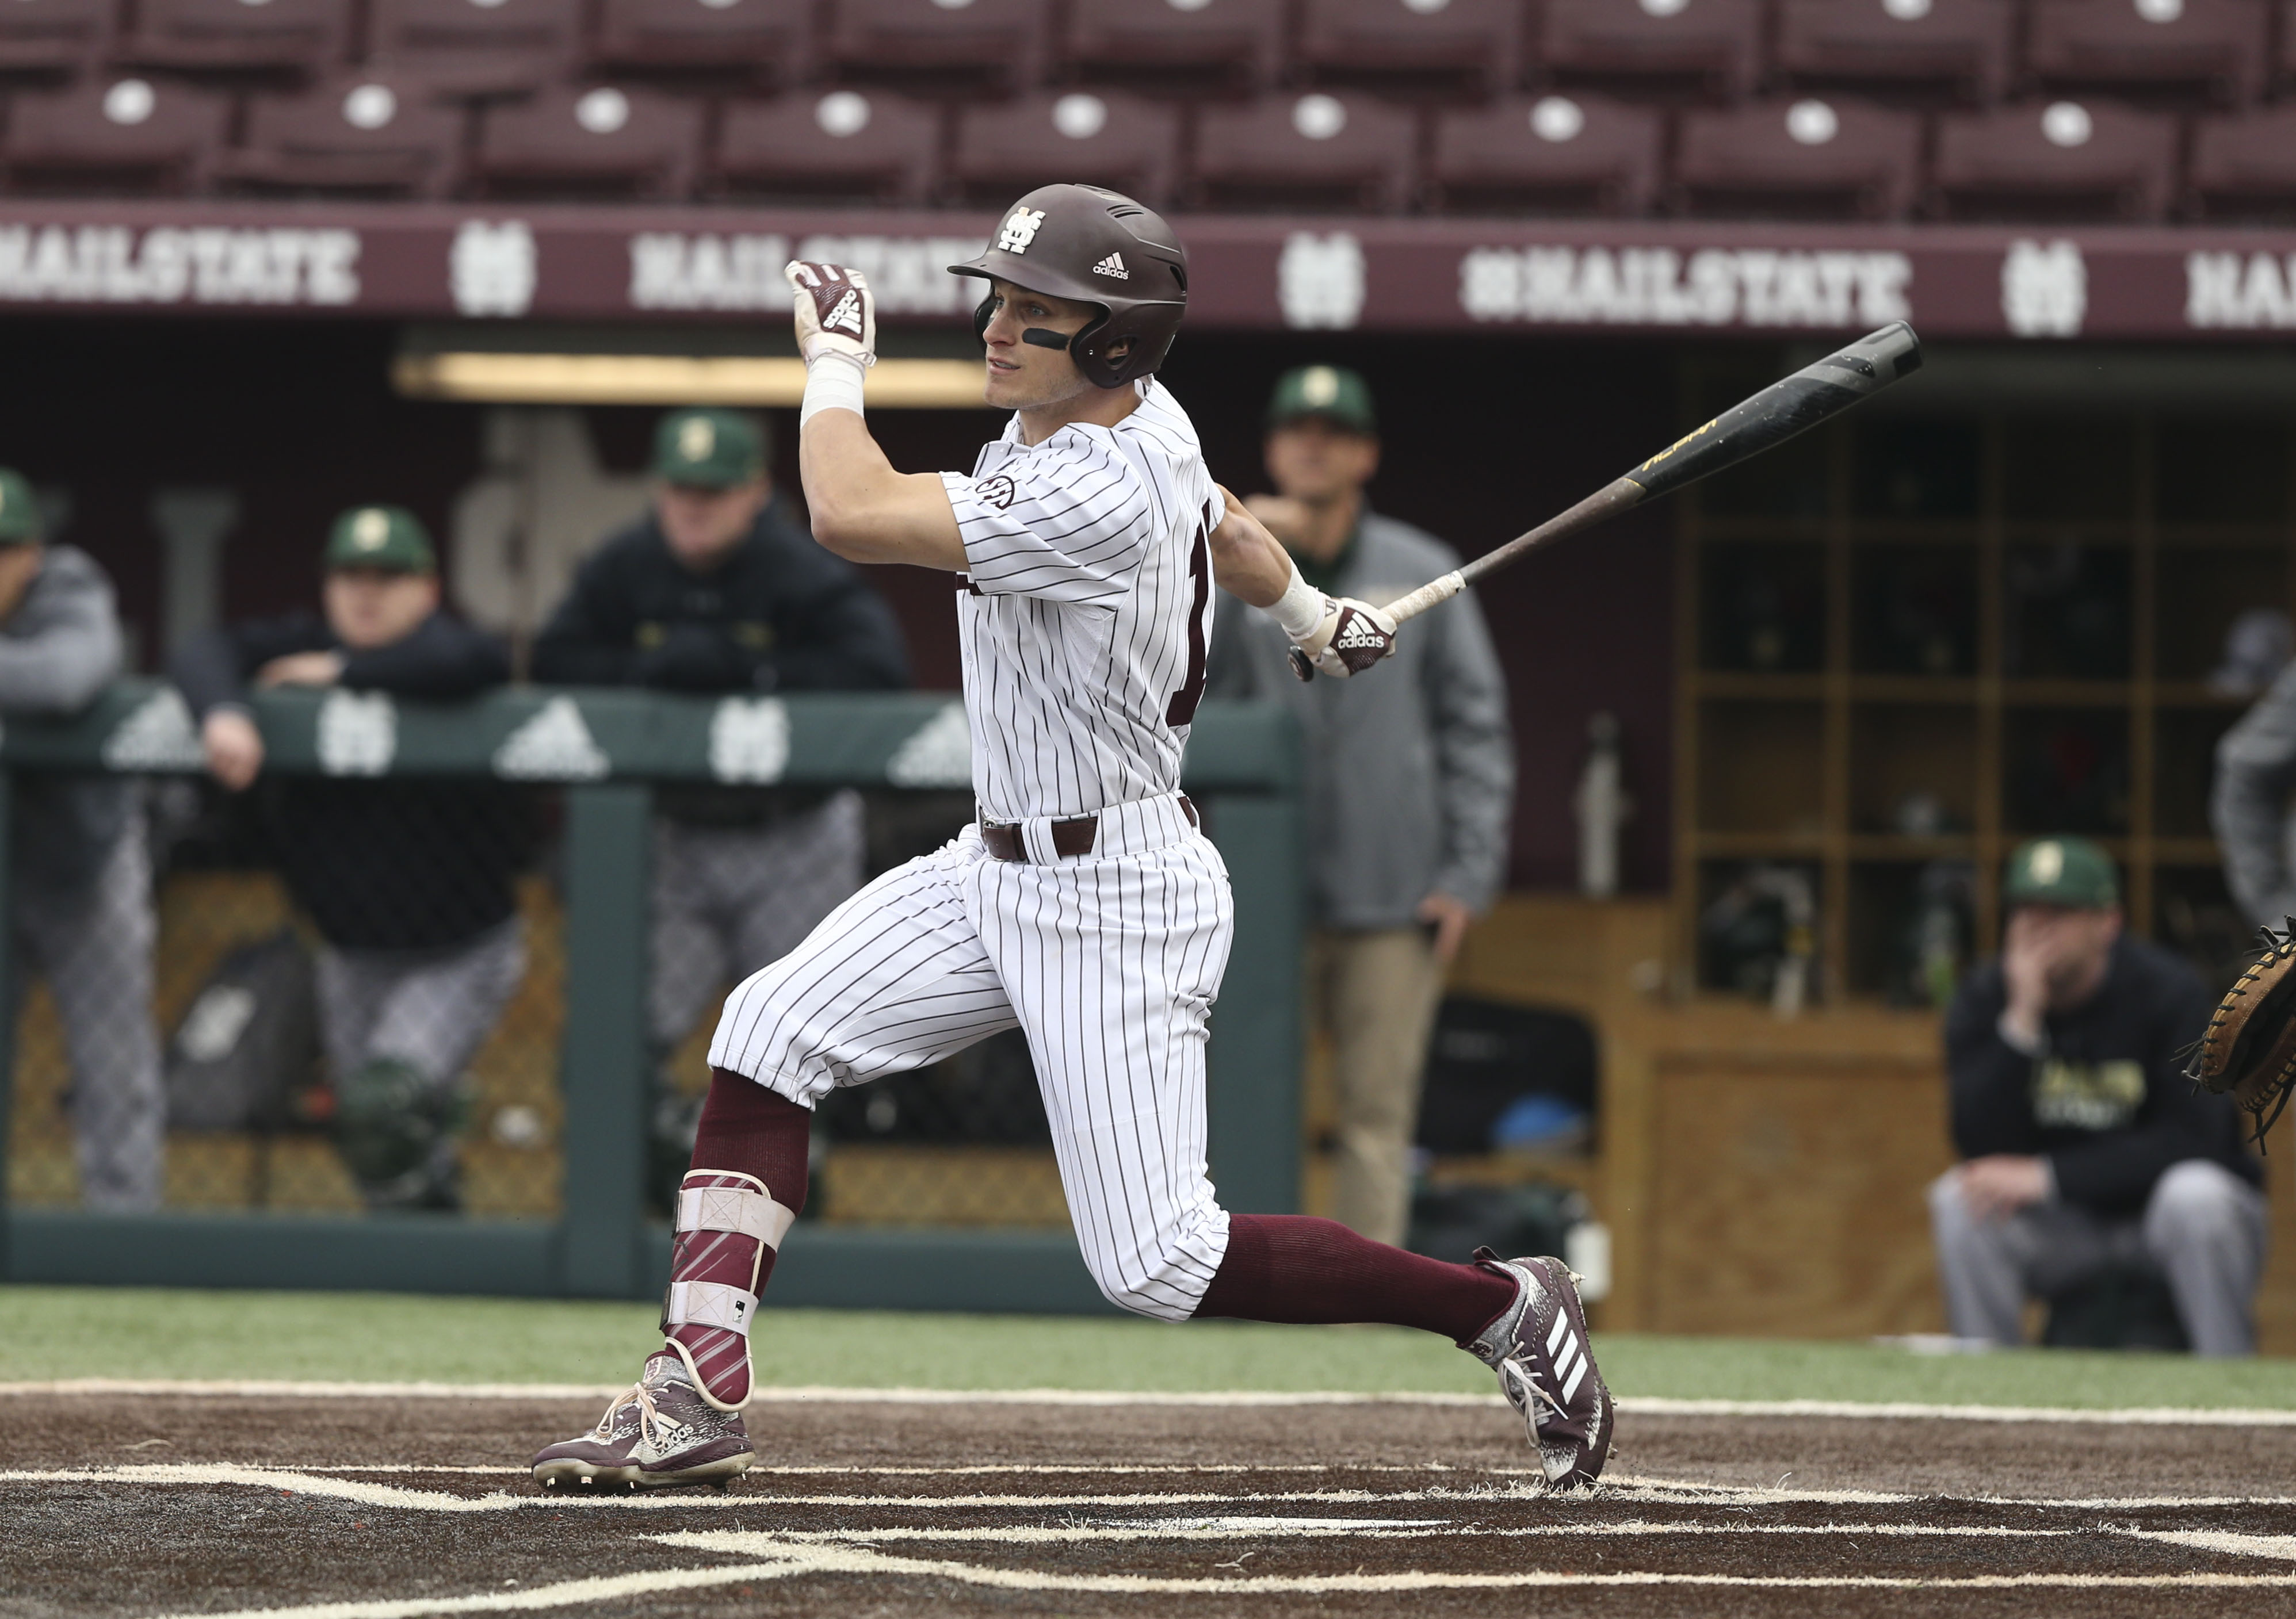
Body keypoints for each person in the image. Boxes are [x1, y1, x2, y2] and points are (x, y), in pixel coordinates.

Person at [530, 184, 1612, 1494]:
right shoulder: (1136, 419)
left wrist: (833, 363)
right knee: (765, 1033)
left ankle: (1499, 1308)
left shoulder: (1094, 488)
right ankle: (695, 1392)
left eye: (1035, 316)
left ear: (1112, 342)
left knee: (1158, 1263)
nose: (995, 328)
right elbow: (1223, 515)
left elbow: (846, 512)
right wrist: (1313, 611)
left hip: (1115, 895)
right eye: (1000, 300)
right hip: (997, 866)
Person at [530, 408, 909, 1205]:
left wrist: (752, 670)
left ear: (755, 492)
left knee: (800, 1037)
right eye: (679, 489)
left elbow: (878, 670)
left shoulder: (795, 568)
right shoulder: (628, 563)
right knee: (621, 1030)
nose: (692, 506)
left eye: (712, 490)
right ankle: (646, 1183)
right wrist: (651, 671)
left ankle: (801, 1197)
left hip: (792, 838)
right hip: (675, 843)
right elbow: (555, 658)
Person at [1206, 366, 1514, 1247]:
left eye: (1332, 430)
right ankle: (1243, 1283)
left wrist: (1465, 874)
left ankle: (1366, 1302)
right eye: (1295, 427)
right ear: (1271, 447)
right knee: (1247, 1104)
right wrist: (1241, 545)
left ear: (1365, 452)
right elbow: (1188, 697)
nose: (1312, 443)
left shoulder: (1419, 566)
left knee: (1376, 1117)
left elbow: (1475, 729)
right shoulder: (1236, 565)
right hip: (1257, 886)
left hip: (1392, 888)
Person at [173, 506, 528, 1211]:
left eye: (388, 577)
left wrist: (342, 671)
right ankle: (426, 1256)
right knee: (373, 1139)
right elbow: (200, 649)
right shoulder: (298, 639)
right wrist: (225, 712)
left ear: (426, 589)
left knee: (386, 1103)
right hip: (348, 952)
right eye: (351, 575)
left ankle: (435, 1253)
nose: (366, 592)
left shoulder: (444, 653)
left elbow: (477, 660)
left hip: (456, 951)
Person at [1930, 836, 2265, 1355]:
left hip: (2159, 1224)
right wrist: (2020, 1023)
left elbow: (2198, 1138)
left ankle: (2227, 1387)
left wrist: (2050, 1176)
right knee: (1959, 1198)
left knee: (2196, 1195)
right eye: (2024, 911)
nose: (2036, 929)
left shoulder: (2169, 991)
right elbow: (1976, 1141)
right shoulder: (1986, 999)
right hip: (2067, 1231)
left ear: (2107, 923)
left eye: (2059, 912)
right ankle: (1985, 1398)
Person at [0, 468, 162, 1211]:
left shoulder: (69, 586)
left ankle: (125, 1238)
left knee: (113, 1068)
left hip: (82, 870)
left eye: (2, 550)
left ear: (32, 551)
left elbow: (66, 678)